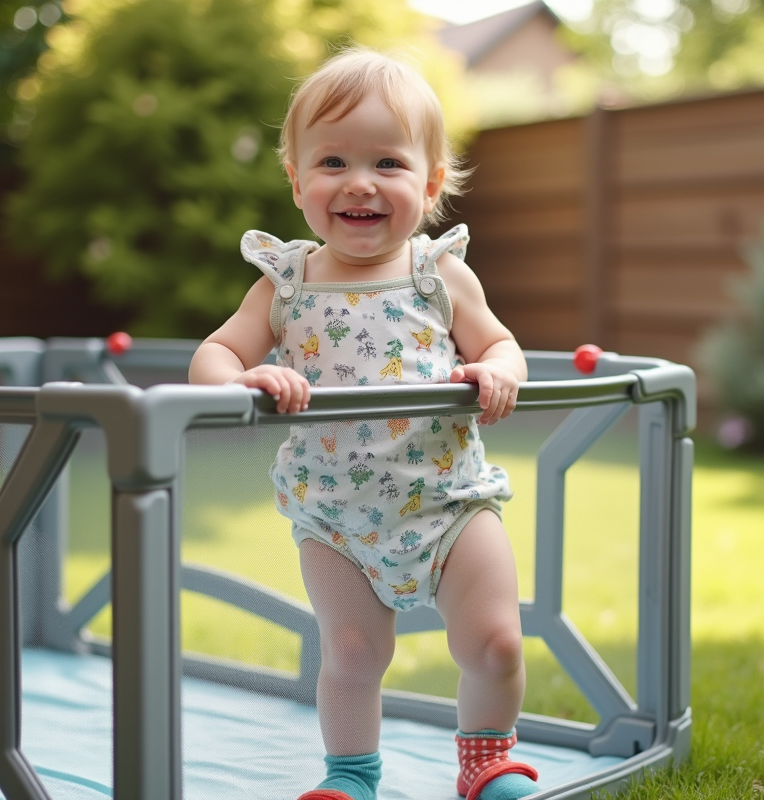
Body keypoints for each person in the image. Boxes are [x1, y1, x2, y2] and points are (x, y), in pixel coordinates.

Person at [189, 47, 538, 800]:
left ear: (431, 183)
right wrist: (246, 375)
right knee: (349, 653)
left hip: (450, 498)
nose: (359, 183)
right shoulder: (286, 284)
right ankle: (350, 777)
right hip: (337, 514)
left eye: (388, 162)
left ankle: (486, 765)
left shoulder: (437, 274)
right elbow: (212, 354)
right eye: (333, 162)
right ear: (297, 182)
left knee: (497, 640)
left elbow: (501, 343)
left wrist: (498, 371)